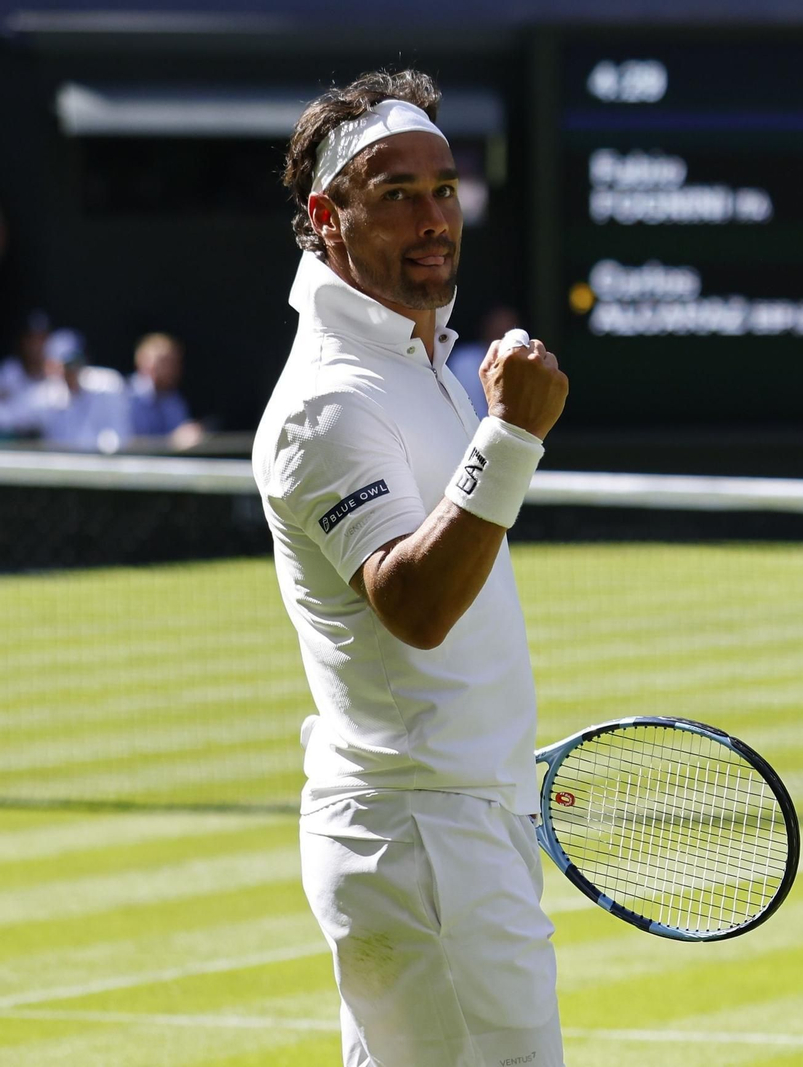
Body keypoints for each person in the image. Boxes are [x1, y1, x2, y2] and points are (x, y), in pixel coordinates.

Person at [253, 70, 569, 1067]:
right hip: (424, 849)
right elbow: (415, 605)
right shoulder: (328, 403)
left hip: (446, 831)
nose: (434, 216)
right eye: (395, 194)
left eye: (444, 188)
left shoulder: (413, 357)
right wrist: (513, 434)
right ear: (326, 217)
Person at [35, 328, 133, 452]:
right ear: (49, 366)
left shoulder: (110, 384)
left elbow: (121, 435)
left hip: (104, 464)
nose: (71, 370)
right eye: (65, 365)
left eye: (75, 363)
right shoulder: (42, 396)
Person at [127, 332, 205, 448]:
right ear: (145, 361)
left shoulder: (175, 400)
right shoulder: (124, 396)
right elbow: (127, 443)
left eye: (175, 363)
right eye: (165, 362)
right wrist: (172, 442)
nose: (173, 369)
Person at [447, 304, 519, 419]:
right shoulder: (462, 360)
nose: (501, 338)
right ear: (486, 329)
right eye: (497, 330)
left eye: (507, 332)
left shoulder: (525, 369)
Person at [0, 310, 52, 437]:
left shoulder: (56, 374)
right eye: (32, 339)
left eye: (41, 339)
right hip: (13, 438)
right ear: (23, 341)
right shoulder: (10, 370)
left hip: (47, 440)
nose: (36, 345)